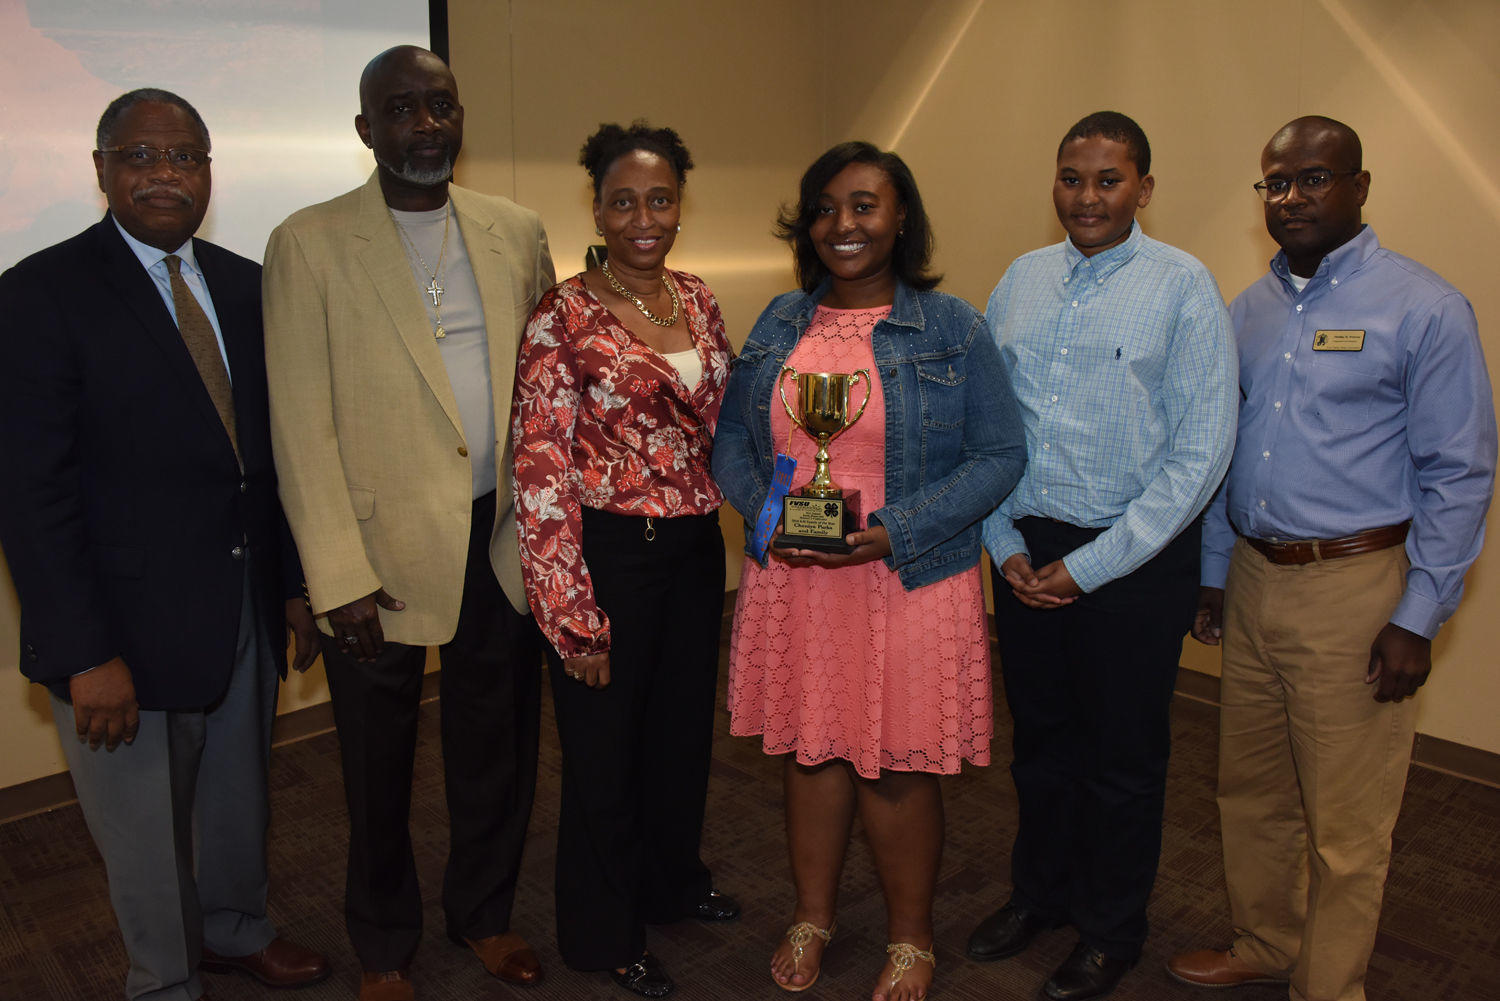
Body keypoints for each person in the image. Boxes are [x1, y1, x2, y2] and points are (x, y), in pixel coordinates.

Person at [0, 89, 329, 1001]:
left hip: (242, 611)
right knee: (143, 836)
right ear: (101, 169)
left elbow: (270, 454)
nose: (164, 174)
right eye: (140, 156)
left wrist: (295, 586)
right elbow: (30, 495)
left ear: (210, 173)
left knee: (237, 804)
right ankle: (164, 979)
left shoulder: (244, 282)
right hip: (120, 633)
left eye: (184, 156)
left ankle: (233, 931)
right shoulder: (38, 292)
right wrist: (82, 652)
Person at [1166, 116, 1496, 1001]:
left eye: (1314, 179)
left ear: (1359, 187)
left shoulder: (1424, 308)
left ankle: (1329, 986)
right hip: (1254, 581)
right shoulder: (1250, 308)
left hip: (1357, 590)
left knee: (1348, 825)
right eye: (1276, 183)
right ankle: (1267, 941)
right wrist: (1212, 570)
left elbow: (1459, 473)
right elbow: (1224, 449)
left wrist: (1418, 615)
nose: (1292, 198)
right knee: (1251, 791)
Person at [262, 46, 554, 1001]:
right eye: (401, 109)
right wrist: (333, 574)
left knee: (495, 746)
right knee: (375, 764)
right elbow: (299, 425)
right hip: (373, 553)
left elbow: (545, 395)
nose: (425, 124)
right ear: (365, 130)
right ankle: (384, 944)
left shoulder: (516, 229)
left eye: (440, 104)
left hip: (497, 537)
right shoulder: (307, 242)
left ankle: (485, 913)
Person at [714, 141, 1026, 1001]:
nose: (842, 225)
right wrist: (767, 517)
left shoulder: (952, 325)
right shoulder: (780, 320)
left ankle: (910, 936)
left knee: (893, 763)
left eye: (864, 206)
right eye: (825, 207)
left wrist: (897, 529)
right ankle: (812, 916)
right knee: (812, 751)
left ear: (900, 219)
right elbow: (735, 444)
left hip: (907, 575)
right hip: (797, 578)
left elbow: (1000, 455)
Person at [966, 111, 1238, 1001]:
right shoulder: (1022, 278)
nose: (1087, 197)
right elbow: (993, 426)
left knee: (1123, 760)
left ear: (1145, 188)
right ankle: (1039, 894)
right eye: (1071, 178)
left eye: (1108, 179)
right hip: (1026, 546)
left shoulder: (1182, 287)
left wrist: (1090, 567)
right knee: (1041, 746)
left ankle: (1111, 928)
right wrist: (1002, 540)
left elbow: (1200, 455)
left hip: (1134, 559)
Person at [511, 121, 738, 1000]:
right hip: (609, 553)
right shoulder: (561, 314)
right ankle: (603, 930)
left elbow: (722, 426)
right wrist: (570, 614)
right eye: (623, 201)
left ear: (679, 203)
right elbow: (539, 472)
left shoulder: (698, 297)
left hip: (689, 552)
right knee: (604, 751)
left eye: (660, 198)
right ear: (598, 209)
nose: (644, 217)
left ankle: (671, 882)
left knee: (680, 737)